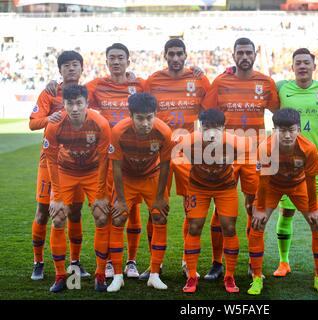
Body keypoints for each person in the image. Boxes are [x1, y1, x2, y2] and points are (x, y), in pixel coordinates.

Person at [46, 43, 147, 279]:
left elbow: (152, 96)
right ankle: (109, 264)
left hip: (134, 152)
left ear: (128, 61)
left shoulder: (140, 84)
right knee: (112, 209)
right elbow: (73, 93)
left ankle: (130, 261)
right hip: (105, 155)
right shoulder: (95, 86)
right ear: (106, 62)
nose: (116, 62)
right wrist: (53, 85)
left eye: (120, 58)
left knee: (133, 209)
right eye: (111, 58)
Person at [202, 37, 279, 280]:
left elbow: (279, 111)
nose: (244, 57)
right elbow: (206, 115)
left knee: (254, 208)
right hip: (224, 156)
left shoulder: (265, 83)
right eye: (240, 53)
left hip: (255, 155)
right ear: (233, 55)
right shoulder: (221, 81)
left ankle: (253, 264)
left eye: (248, 52)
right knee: (220, 210)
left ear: (254, 54)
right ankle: (217, 263)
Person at [138, 38, 211, 281]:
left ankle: (187, 262)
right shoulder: (153, 81)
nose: (176, 58)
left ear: (186, 55)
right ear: (165, 55)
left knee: (193, 210)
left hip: (188, 155)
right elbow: (141, 112)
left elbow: (210, 112)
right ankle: (153, 264)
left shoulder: (199, 79)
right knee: (156, 208)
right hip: (157, 154)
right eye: (172, 54)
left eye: (180, 53)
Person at [249, 108, 318, 296]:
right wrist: (259, 208)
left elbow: (311, 181)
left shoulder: (309, 149)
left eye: (291, 130)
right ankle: (257, 277)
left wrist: (314, 207)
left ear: (299, 129)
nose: (286, 135)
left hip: (298, 185)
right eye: (281, 130)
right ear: (273, 130)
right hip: (272, 185)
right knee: (257, 224)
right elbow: (262, 181)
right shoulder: (266, 148)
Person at [274, 48, 318, 278]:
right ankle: (283, 262)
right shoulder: (281, 87)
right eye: (298, 63)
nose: (302, 66)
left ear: (314, 66)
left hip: (317, 158)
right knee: (286, 211)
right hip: (287, 160)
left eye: (306, 62)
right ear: (292, 67)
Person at [43, 85, 111, 292]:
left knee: (101, 215)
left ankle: (100, 275)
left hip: (92, 172)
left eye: (79, 103)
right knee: (58, 216)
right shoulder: (55, 126)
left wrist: (100, 194)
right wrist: (57, 196)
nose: (74, 108)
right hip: (65, 172)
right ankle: (61, 275)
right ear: (64, 105)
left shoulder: (100, 123)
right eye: (70, 104)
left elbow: (104, 160)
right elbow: (51, 161)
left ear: (86, 104)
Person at [29, 51, 88, 281]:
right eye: (66, 65)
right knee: (44, 211)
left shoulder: (88, 91)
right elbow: (33, 123)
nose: (71, 68)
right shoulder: (50, 91)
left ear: (82, 68)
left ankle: (74, 263)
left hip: (77, 162)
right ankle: (38, 262)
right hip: (50, 160)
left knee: (74, 212)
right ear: (60, 70)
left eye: (75, 64)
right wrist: (50, 119)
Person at [108, 93, 172, 292]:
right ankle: (118, 276)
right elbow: (116, 166)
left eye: (150, 117)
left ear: (155, 114)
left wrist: (161, 197)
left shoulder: (164, 132)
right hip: (126, 177)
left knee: (159, 218)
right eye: (140, 118)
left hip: (150, 176)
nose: (146, 123)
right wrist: (118, 198)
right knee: (118, 218)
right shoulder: (118, 131)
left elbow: (165, 166)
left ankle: (154, 274)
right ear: (131, 115)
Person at [180, 109, 243, 294]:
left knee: (229, 228)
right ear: (201, 127)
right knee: (194, 227)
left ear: (223, 128)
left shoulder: (235, 143)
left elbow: (242, 161)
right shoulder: (188, 142)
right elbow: (181, 162)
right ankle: (192, 275)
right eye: (206, 127)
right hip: (198, 188)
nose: (211, 131)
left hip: (225, 188)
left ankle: (229, 275)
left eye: (216, 127)